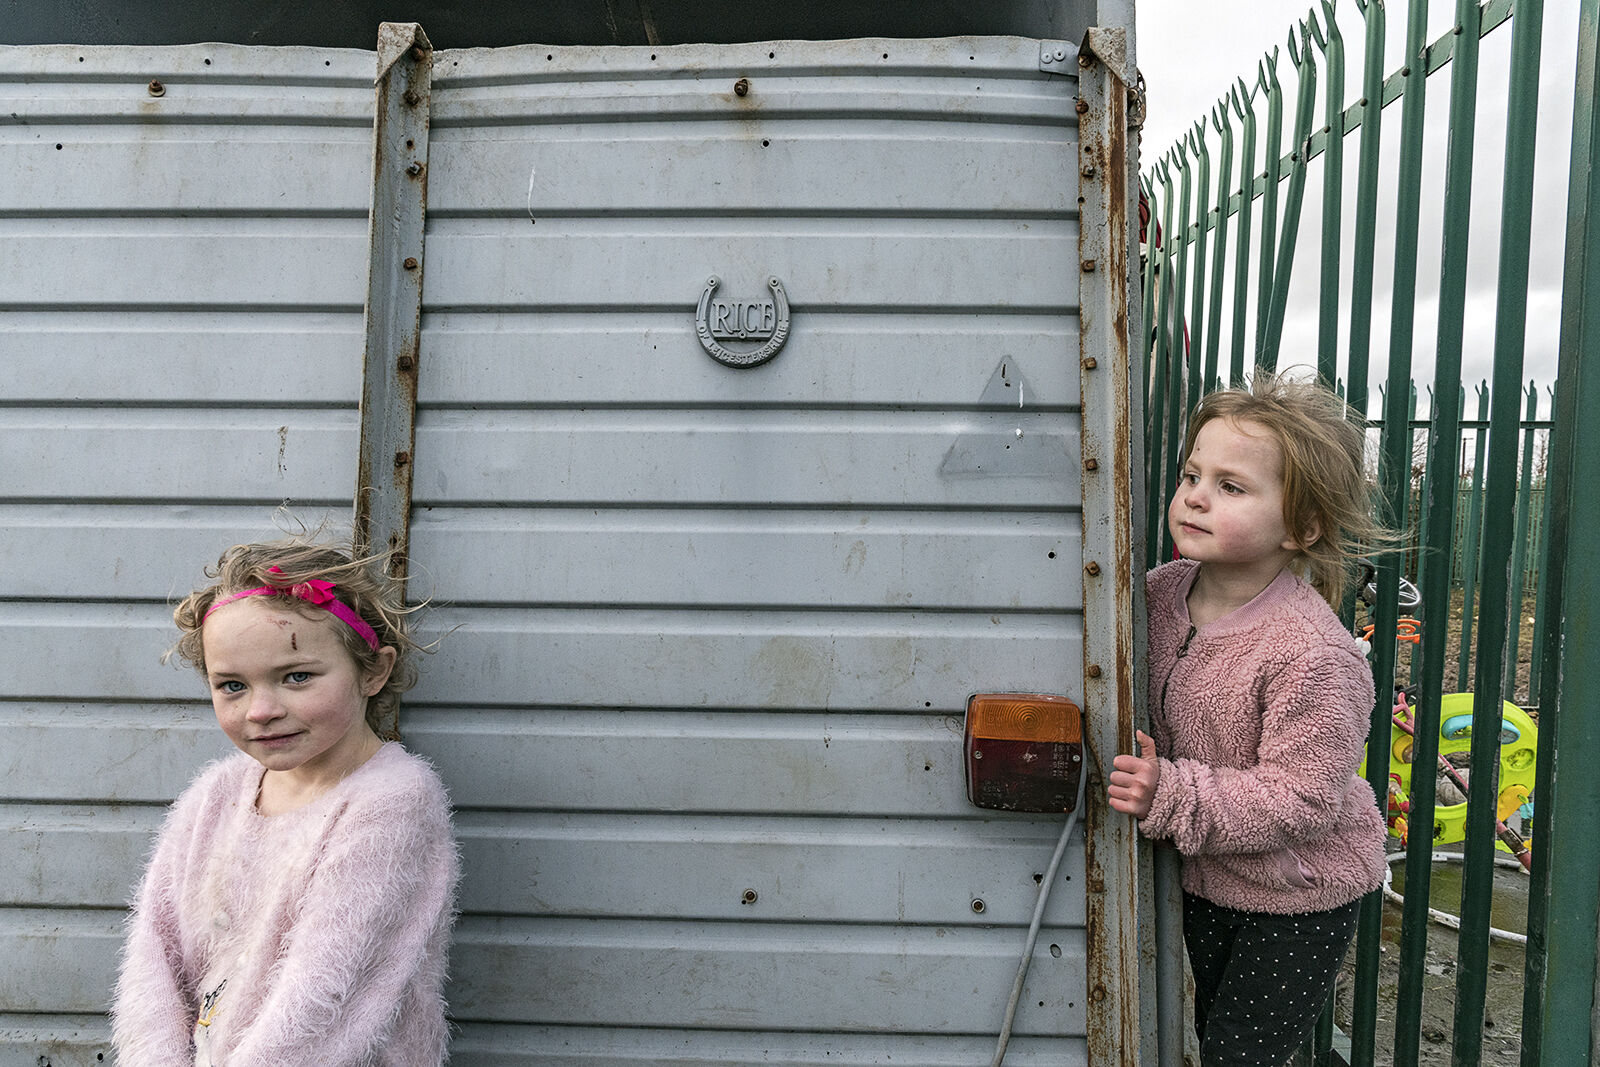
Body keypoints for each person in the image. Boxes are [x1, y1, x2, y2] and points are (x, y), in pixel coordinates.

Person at [1107, 371, 1388, 1066]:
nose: (1195, 496)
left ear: (1303, 526)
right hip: (1206, 876)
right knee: (1218, 1034)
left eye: (1231, 486)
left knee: (1243, 1053)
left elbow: (1303, 799)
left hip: (1295, 899)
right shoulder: (1157, 595)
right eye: (1192, 474)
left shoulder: (1311, 652)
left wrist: (1168, 792)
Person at [112, 538, 460, 1066]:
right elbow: (153, 956)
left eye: (297, 677)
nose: (261, 711)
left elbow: (327, 997)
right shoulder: (218, 794)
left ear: (374, 671)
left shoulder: (390, 805)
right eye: (232, 685)